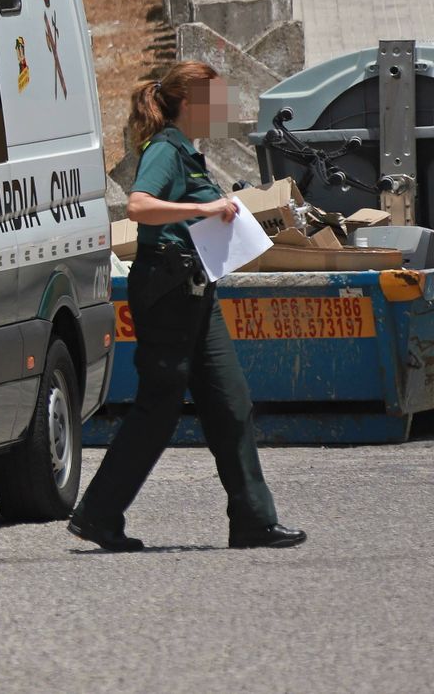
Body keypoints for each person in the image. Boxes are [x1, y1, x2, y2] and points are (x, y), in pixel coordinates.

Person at [67, 61, 306, 552]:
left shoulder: (190, 152)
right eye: (216, 101)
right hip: (167, 290)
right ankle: (98, 513)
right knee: (159, 407)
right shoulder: (164, 149)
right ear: (190, 102)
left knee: (230, 401)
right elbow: (139, 206)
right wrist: (203, 208)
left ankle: (253, 520)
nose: (223, 110)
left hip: (198, 288)